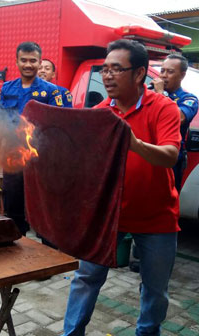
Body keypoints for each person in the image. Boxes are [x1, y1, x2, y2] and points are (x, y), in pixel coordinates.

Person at [63, 39, 181, 336]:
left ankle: (147, 333)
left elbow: (170, 156)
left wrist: (135, 144)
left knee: (155, 290)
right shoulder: (101, 111)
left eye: (116, 69)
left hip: (156, 216)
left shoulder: (163, 107)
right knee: (86, 278)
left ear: (139, 74)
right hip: (108, 214)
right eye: (104, 69)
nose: (107, 76)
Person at [0, 42, 63, 236]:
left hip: (40, 158)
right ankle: (15, 247)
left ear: (39, 62)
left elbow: (59, 127)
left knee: (44, 209)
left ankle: (50, 254)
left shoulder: (52, 92)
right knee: (14, 206)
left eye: (32, 60)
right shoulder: (7, 88)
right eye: (23, 60)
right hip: (13, 157)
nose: (28, 64)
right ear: (16, 61)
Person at [151, 54, 198, 191]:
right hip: (147, 151)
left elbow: (179, 117)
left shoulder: (188, 98)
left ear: (182, 76)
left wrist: (161, 94)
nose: (164, 75)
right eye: (162, 71)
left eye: (170, 72)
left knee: (166, 197)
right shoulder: (149, 93)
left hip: (170, 158)